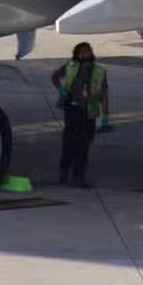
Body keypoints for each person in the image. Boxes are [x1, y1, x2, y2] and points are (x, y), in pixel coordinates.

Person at [51, 42, 108, 188]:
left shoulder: (99, 71)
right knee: (69, 143)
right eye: (81, 52)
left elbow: (104, 94)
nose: (84, 54)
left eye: (87, 51)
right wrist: (61, 89)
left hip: (89, 111)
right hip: (72, 109)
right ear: (76, 54)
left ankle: (78, 177)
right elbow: (55, 76)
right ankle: (64, 173)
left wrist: (105, 116)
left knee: (84, 146)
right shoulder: (70, 66)